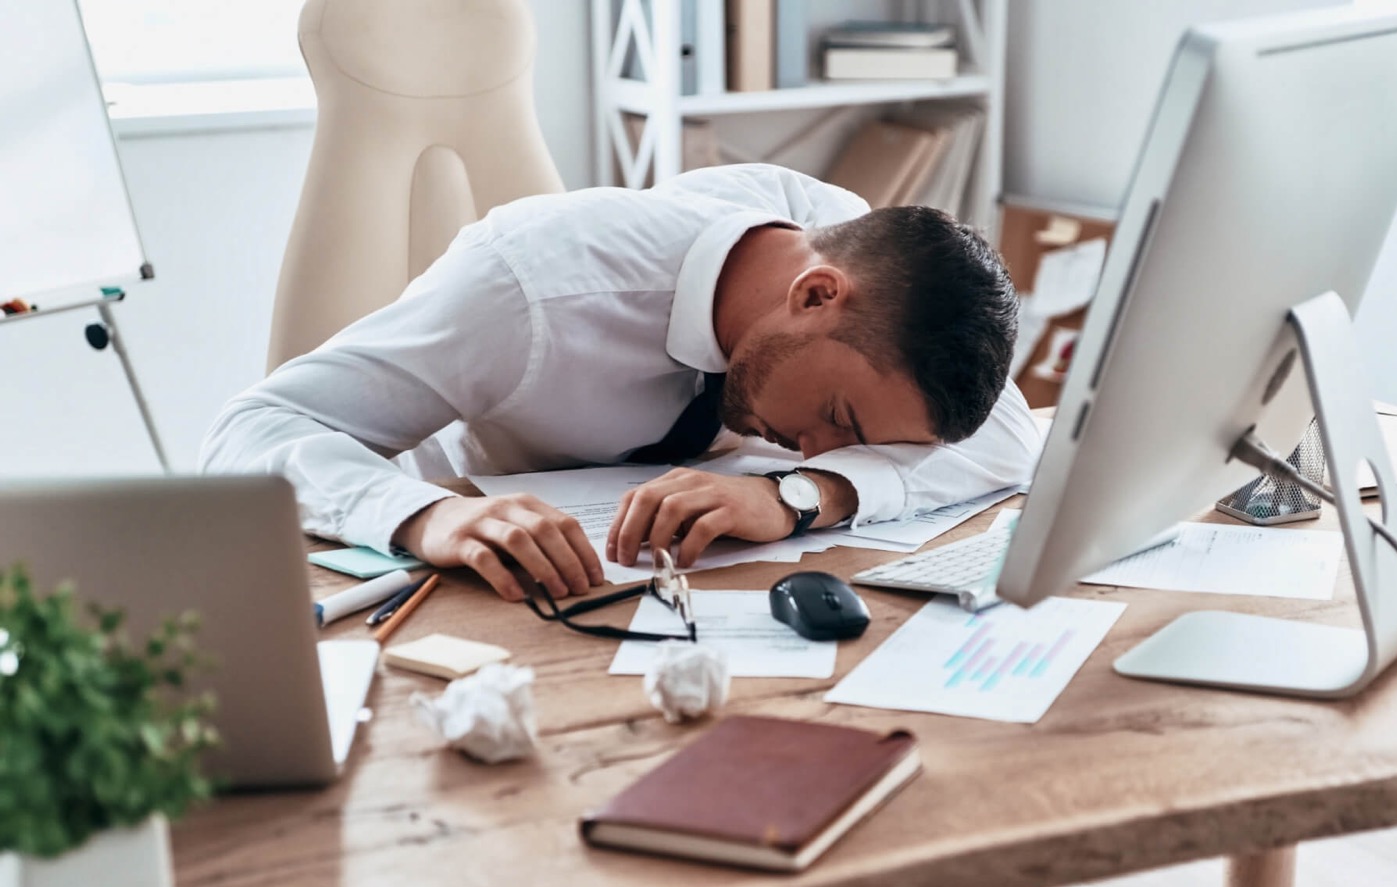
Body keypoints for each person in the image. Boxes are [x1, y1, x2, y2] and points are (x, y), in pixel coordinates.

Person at [201, 164, 1041, 602]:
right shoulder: (523, 287)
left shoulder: (858, 261)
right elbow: (253, 427)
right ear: (814, 296)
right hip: (469, 584)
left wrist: (801, 493)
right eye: (835, 416)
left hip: (660, 593)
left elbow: (1008, 441)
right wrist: (430, 515)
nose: (824, 445)